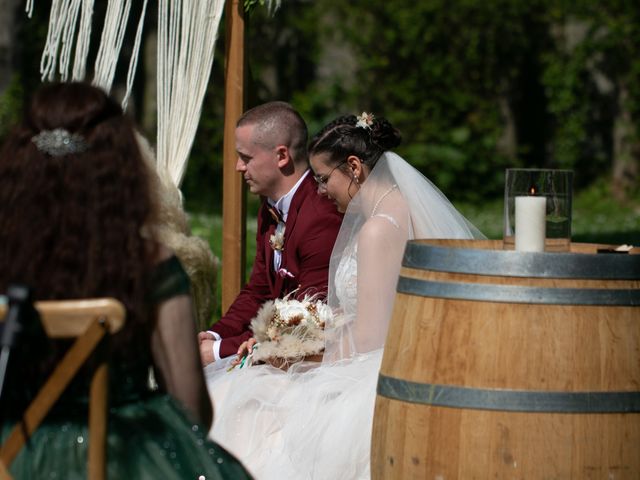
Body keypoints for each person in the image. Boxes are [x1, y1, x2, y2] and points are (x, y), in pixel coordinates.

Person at [205, 112, 485, 479]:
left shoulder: (377, 231)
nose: (320, 191)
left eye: (323, 179)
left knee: (243, 405)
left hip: (370, 376)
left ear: (353, 167)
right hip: (380, 357)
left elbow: (371, 338)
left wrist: (295, 354)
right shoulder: (394, 212)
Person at [0, 82, 252, 479]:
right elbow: (191, 411)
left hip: (13, 457)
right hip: (122, 456)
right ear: (119, 167)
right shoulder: (148, 262)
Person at [198, 102, 343, 365]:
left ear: (281, 156)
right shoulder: (270, 208)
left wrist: (219, 351)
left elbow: (305, 319)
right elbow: (259, 291)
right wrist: (214, 334)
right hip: (278, 346)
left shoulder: (322, 216)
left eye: (246, 157)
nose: (238, 167)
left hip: (314, 358)